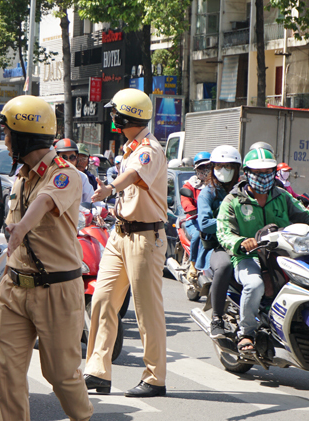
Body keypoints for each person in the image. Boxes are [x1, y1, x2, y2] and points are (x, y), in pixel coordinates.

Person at [0, 95, 94, 421]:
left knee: (60, 376)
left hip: (56, 290)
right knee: (7, 371)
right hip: (14, 286)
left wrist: (20, 229)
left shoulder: (65, 174)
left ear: (25, 134)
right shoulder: (21, 175)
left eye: (8, 134)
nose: (4, 141)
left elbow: (44, 203)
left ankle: (83, 417)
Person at [216, 146, 309, 352]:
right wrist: (240, 242)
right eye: (258, 173)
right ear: (247, 173)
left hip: (284, 253)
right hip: (248, 257)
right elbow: (223, 232)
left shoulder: (282, 196)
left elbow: (305, 215)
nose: (263, 177)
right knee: (255, 285)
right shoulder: (233, 201)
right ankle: (246, 332)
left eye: (267, 172)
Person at [85, 88, 168, 397]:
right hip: (120, 235)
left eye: (114, 112)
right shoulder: (130, 147)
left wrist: (109, 189)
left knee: (147, 310)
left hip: (145, 237)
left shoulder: (149, 149)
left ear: (125, 116)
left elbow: (133, 176)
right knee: (103, 300)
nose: (111, 117)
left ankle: (155, 378)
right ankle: (97, 371)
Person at [196, 145, 241, 338]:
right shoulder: (208, 193)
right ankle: (217, 317)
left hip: (246, 242)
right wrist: (230, 221)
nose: (224, 170)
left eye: (229, 166)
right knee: (224, 266)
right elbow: (204, 224)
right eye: (220, 166)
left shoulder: (244, 190)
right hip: (217, 246)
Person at [181, 151, 211, 282]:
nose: (205, 171)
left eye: (208, 167)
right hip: (194, 220)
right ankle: (193, 265)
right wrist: (192, 210)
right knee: (198, 235)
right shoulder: (190, 184)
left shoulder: (218, 185)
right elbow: (185, 201)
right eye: (201, 168)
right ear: (196, 169)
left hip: (211, 219)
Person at [54, 139, 95, 203]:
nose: (68, 161)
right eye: (64, 158)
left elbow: (92, 201)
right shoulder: (48, 175)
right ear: (56, 158)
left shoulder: (82, 177)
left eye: (72, 157)